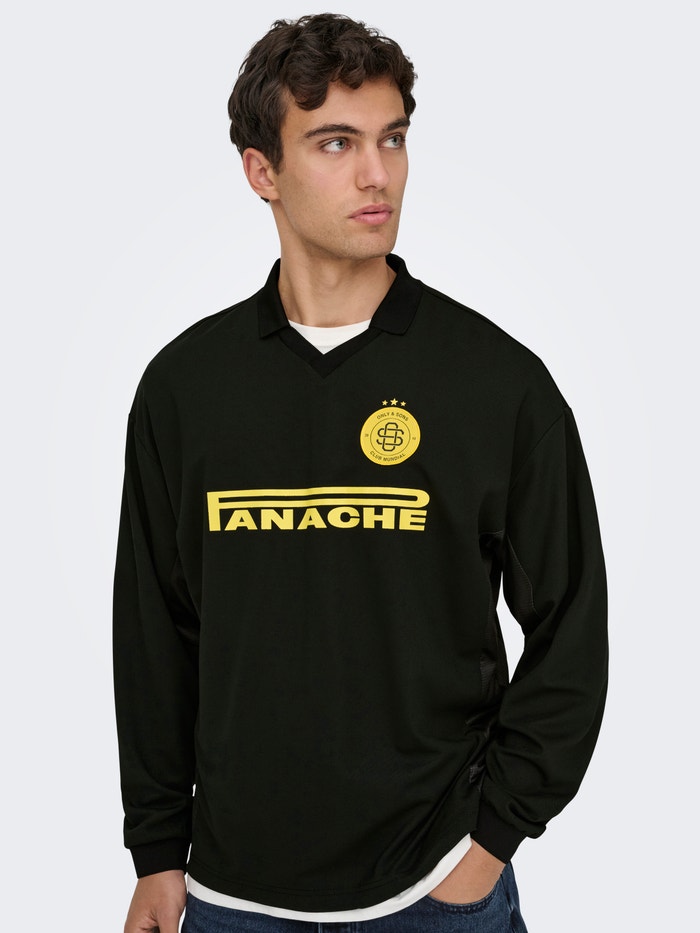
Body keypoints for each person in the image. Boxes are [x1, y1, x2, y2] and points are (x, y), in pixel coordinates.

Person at [113, 13, 608, 933]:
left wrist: (491, 838)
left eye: (393, 139)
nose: (377, 173)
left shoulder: (495, 384)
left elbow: (572, 630)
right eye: (335, 143)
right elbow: (153, 636)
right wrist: (156, 850)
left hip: (436, 886)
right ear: (262, 170)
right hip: (232, 895)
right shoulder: (186, 389)